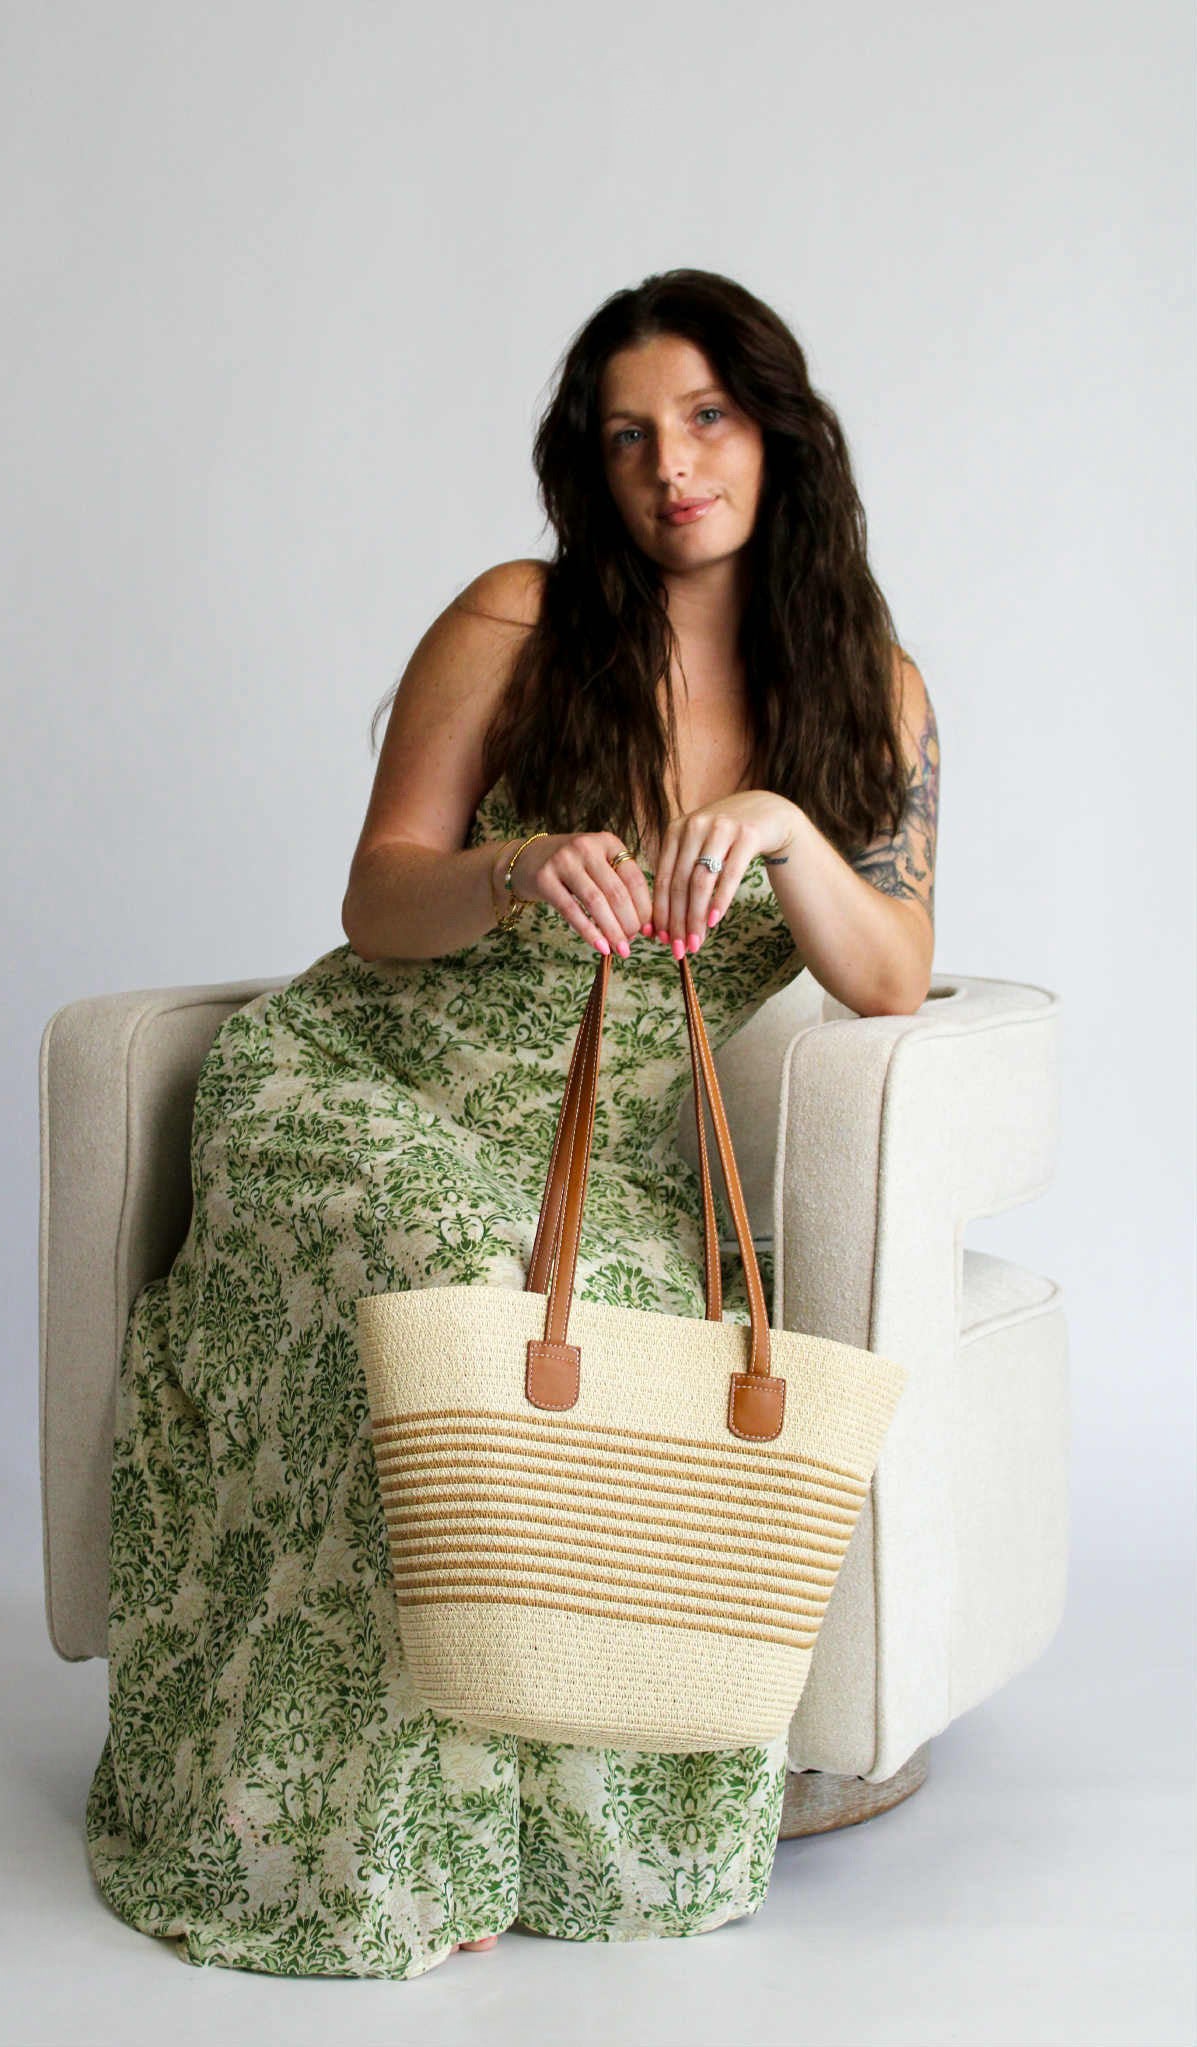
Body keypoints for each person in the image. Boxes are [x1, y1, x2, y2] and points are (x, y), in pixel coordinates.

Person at [84, 266, 940, 1980]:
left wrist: (783, 826)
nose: (669, 466)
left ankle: (543, 1828)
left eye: (705, 418)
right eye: (626, 435)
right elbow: (375, 892)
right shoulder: (521, 615)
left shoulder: (873, 694)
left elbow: (892, 974)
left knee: (615, 1320)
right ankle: (386, 1841)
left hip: (595, 1157)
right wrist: (512, 867)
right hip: (356, 1083)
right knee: (466, 1273)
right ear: (587, 464)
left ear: (778, 433)